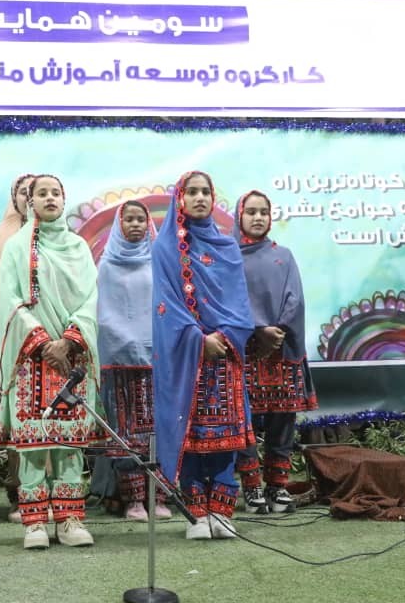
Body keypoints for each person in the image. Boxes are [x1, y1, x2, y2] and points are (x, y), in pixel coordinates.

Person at [0, 174, 104, 549]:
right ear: (30, 201)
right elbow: (11, 301)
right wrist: (41, 341)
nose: (50, 198)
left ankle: (70, 520)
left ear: (64, 200)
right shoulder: (15, 247)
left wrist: (69, 340)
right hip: (31, 358)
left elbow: (90, 298)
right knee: (33, 445)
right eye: (42, 193)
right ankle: (35, 523)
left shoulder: (78, 247)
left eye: (56, 193)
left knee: (69, 446)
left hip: (72, 358)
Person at [152, 170, 256, 540]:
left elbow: (240, 304)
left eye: (205, 192)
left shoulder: (227, 247)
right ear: (179, 199)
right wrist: (198, 340)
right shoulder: (165, 249)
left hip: (225, 354)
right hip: (186, 356)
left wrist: (224, 337)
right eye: (191, 192)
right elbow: (165, 304)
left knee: (227, 435)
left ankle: (222, 512)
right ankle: (196, 514)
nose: (199, 198)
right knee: (190, 433)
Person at [232, 190, 318, 514]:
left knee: (283, 420)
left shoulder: (284, 255)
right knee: (244, 422)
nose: (258, 217)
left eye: (263, 212)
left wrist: (277, 331)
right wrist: (258, 330)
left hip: (282, 351)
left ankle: (277, 487)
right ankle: (252, 487)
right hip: (245, 352)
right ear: (239, 216)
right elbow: (229, 300)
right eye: (251, 212)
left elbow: (295, 298)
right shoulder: (229, 257)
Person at [93, 200, 172, 522]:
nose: (136, 224)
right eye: (129, 219)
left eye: (141, 219)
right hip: (119, 360)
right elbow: (103, 312)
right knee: (125, 432)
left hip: (156, 359)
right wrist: (125, 339)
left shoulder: (159, 262)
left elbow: (167, 306)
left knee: (159, 429)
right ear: (120, 224)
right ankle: (134, 500)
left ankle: (160, 496)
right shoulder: (106, 265)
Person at [0, 174, 34, 523]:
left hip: (51, 344)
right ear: (14, 197)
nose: (29, 198)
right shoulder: (1, 236)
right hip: (13, 339)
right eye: (23, 192)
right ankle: (18, 490)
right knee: (16, 415)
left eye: (35, 191)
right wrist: (21, 323)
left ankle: (53, 492)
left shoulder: (58, 236)